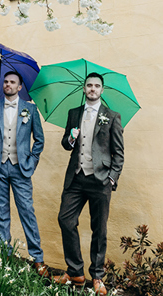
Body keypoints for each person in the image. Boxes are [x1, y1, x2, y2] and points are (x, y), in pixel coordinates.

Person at [52, 73, 124, 295]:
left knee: (98, 229)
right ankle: (75, 272)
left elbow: (119, 153)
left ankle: (97, 276)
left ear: (102, 90)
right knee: (65, 219)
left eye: (97, 86)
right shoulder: (74, 114)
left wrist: (112, 177)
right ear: (84, 89)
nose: (93, 89)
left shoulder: (112, 116)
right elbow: (66, 144)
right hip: (76, 177)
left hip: (100, 180)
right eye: (89, 85)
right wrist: (71, 138)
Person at [0, 71, 46, 274]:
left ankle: (37, 258)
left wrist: (31, 162)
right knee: (1, 213)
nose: (8, 85)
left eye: (12, 82)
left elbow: (39, 140)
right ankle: (4, 254)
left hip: (20, 168)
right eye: (6, 82)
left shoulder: (31, 109)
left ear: (19, 87)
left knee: (27, 211)